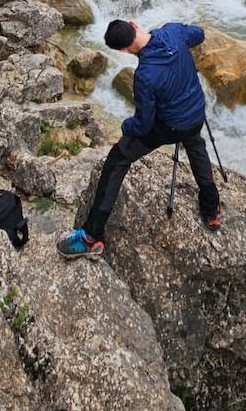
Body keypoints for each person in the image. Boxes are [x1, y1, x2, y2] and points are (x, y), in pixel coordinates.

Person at [57, 17, 222, 259]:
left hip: (170, 126)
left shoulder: (145, 75)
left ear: (123, 51)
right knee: (196, 147)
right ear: (135, 25)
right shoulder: (173, 32)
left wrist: (126, 126)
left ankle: (91, 237)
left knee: (118, 159)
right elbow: (199, 34)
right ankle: (212, 209)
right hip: (196, 112)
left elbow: (144, 124)